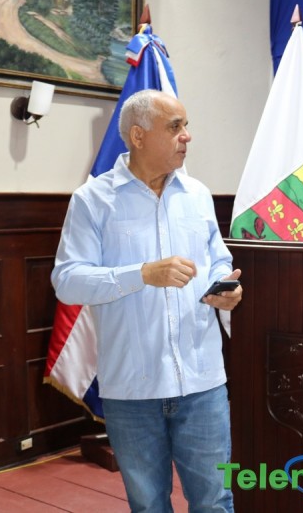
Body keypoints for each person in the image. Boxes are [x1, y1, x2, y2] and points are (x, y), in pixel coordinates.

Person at [52, 89, 241, 513]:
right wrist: (140, 274)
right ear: (138, 136)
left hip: (202, 381)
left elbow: (217, 259)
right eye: (175, 127)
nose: (187, 136)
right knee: (149, 505)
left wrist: (225, 287)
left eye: (186, 126)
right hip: (132, 388)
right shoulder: (92, 200)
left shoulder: (197, 194)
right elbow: (67, 281)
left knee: (215, 501)